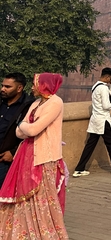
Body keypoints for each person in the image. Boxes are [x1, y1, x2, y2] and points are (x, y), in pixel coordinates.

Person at [0, 73, 68, 239]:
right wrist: (25, 127)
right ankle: (23, 231)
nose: (33, 87)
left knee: (41, 197)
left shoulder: (55, 102)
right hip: (27, 154)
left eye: (35, 84)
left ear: (44, 85)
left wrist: (23, 125)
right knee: (23, 196)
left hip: (44, 157)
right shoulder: (37, 103)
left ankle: (42, 232)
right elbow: (20, 132)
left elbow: (32, 129)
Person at [73, 67, 111, 177]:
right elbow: (106, 105)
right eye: (110, 78)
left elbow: (109, 95)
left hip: (96, 120)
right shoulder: (103, 88)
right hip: (103, 120)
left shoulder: (96, 86)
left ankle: (79, 169)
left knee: (90, 145)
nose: (110, 80)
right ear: (107, 77)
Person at [0, 72, 34, 186]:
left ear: (19, 88)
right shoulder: (1, 102)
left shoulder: (28, 107)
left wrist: (14, 153)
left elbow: (32, 135)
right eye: (2, 85)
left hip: (6, 159)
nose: (3, 89)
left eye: (7, 87)